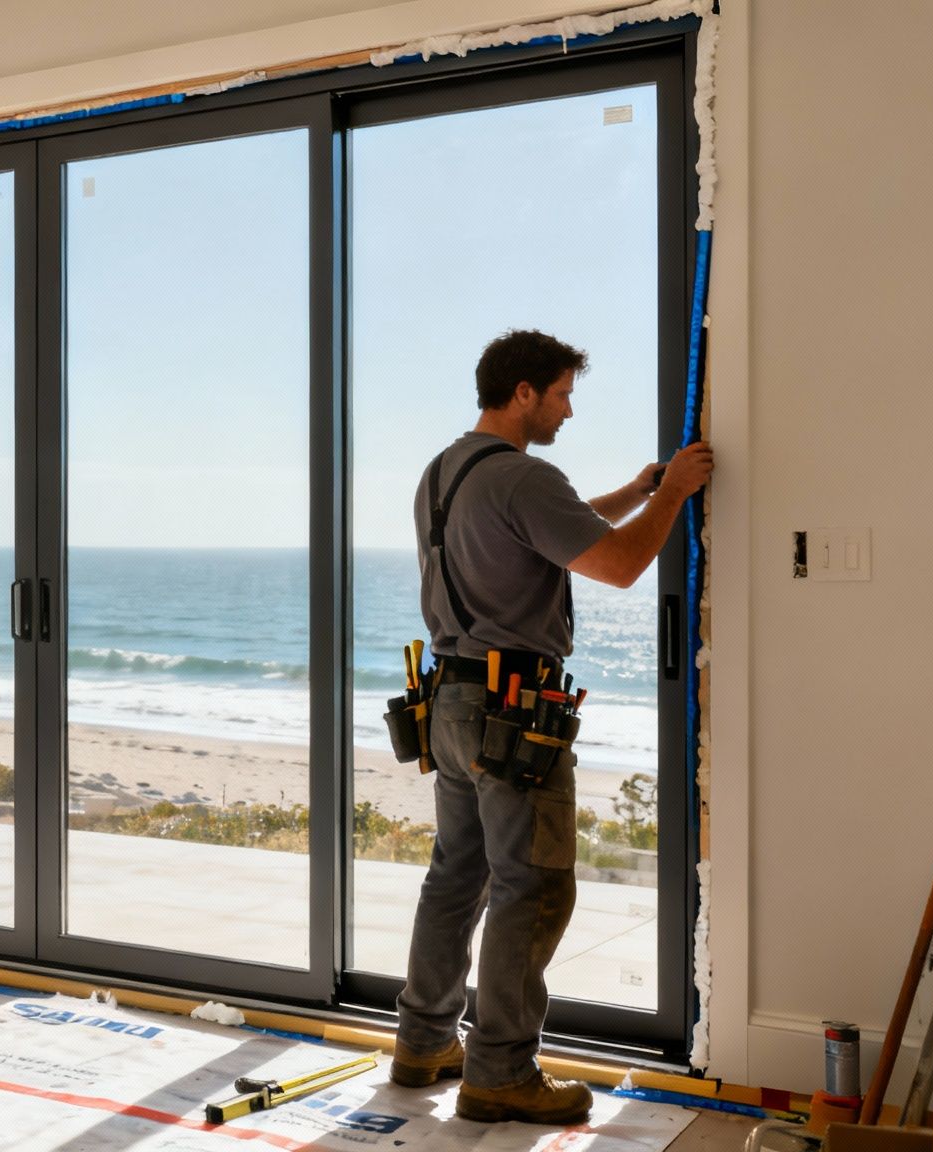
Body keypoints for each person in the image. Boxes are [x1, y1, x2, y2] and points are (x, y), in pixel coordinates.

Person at [390, 330, 713, 1124]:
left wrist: (636, 492)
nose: (569, 409)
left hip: (456, 705)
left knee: (456, 876)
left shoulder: (446, 472)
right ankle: (499, 1071)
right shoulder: (527, 477)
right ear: (524, 391)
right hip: (513, 710)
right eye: (563, 393)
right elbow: (617, 564)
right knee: (533, 888)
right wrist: (673, 493)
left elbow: (556, 533)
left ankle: (425, 1041)